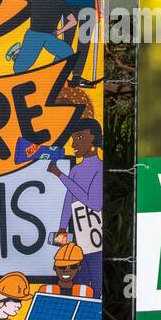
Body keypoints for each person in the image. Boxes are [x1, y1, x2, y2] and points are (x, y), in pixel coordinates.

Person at [47, 119, 103, 296]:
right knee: (78, 283)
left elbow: (94, 202)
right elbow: (68, 201)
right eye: (73, 138)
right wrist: (62, 227)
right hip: (77, 238)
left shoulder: (99, 168)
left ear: (93, 138)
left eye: (80, 137)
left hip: (95, 237)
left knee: (96, 283)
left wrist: (61, 176)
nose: (74, 143)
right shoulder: (76, 170)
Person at [10, 0, 77, 73]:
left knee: (68, 53)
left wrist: (60, 31)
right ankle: (16, 54)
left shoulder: (59, 2)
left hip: (50, 36)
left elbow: (73, 21)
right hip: (34, 36)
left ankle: (52, 74)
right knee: (19, 69)